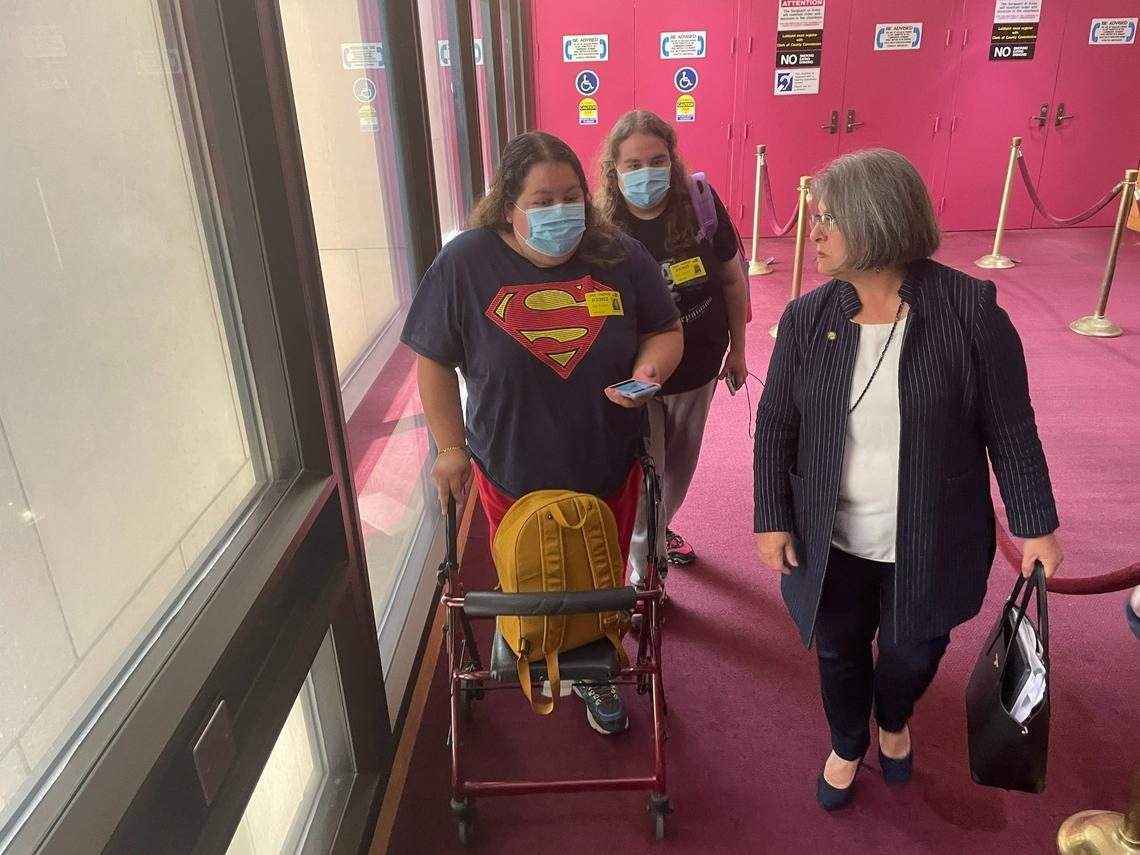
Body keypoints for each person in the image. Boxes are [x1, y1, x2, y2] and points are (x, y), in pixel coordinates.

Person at [752, 149, 1064, 810]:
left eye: (829, 218)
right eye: (814, 217)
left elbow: (1010, 427)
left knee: (912, 652)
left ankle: (893, 719)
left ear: (876, 220)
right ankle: (847, 741)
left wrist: (1036, 524)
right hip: (829, 537)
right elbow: (776, 424)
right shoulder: (807, 318)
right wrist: (771, 516)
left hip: (932, 535)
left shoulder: (970, 311)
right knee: (837, 650)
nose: (813, 231)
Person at [402, 131, 683, 735]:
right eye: (542, 200)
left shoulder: (619, 254)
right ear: (508, 206)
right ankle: (537, 639)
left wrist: (648, 371)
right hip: (511, 466)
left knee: (598, 575)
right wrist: (449, 449)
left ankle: (593, 664)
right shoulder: (466, 262)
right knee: (533, 573)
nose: (562, 211)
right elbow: (433, 360)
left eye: (572, 195)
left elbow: (664, 329)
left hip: (606, 458)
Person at [597, 110, 748, 587]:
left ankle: (658, 532)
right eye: (633, 164)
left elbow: (732, 279)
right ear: (615, 171)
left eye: (657, 160)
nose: (646, 173)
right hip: (636, 373)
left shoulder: (699, 203)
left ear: (672, 160)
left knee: (678, 469)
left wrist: (739, 351)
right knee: (647, 473)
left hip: (699, 364)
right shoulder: (603, 226)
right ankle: (646, 573)